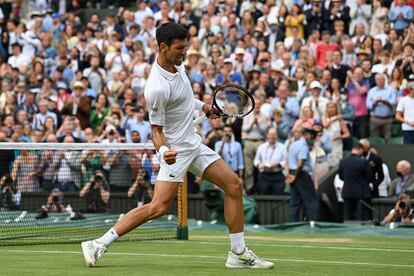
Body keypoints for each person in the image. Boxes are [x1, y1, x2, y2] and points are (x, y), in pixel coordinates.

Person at [81, 23, 273, 269]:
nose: (185, 53)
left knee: (234, 186)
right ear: (163, 47)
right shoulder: (157, 88)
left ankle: (238, 253)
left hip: (193, 144)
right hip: (176, 151)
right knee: (158, 207)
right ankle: (99, 243)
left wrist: (203, 106)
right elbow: (156, 131)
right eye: (180, 48)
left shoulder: (176, 66)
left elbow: (183, 98)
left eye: (186, 47)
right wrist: (164, 152)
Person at [286, 127, 319, 222]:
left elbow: (288, 161)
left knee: (295, 202)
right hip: (301, 174)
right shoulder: (303, 146)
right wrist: (295, 176)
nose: (311, 137)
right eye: (310, 135)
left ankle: (293, 224)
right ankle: (313, 223)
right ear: (305, 135)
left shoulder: (292, 144)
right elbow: (300, 164)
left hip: (293, 173)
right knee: (311, 200)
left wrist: (289, 175)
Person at [338, 143, 371, 221]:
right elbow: (369, 177)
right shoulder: (363, 162)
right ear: (360, 150)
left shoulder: (343, 161)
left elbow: (341, 176)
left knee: (347, 217)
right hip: (361, 193)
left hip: (347, 192)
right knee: (360, 217)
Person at [254, 128, 287, 195]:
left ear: (277, 136)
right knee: (263, 195)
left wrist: (277, 164)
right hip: (264, 175)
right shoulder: (262, 147)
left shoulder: (282, 147)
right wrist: (259, 165)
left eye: (274, 135)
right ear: (267, 135)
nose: (272, 137)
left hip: (278, 175)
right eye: (270, 135)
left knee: (278, 196)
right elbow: (256, 160)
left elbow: (286, 161)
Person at [395, 78, 414, 144]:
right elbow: (397, 116)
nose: (413, 91)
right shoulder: (403, 100)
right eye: (412, 89)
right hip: (407, 129)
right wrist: (408, 122)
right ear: (409, 90)